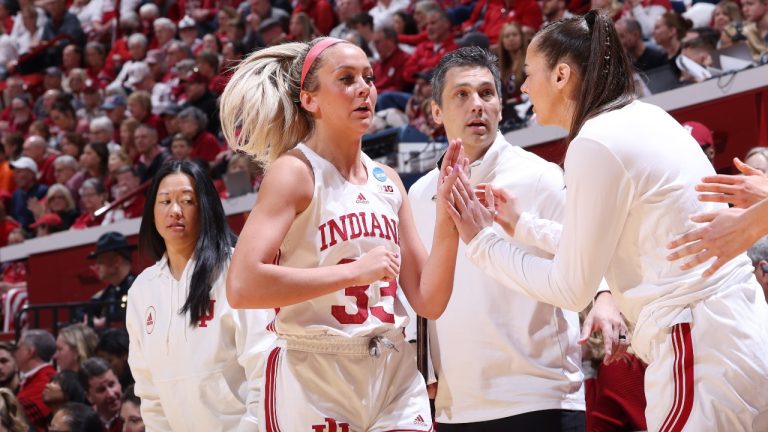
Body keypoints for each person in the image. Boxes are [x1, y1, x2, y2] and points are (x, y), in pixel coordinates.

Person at [444, 11, 768, 431]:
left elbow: (570, 286)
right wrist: (523, 225)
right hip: (736, 329)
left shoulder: (595, 141)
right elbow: (602, 243)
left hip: (701, 344)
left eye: (528, 73)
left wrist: (482, 243)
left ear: (561, 76)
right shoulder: (643, 116)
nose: (522, 87)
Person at [220, 38, 459, 430]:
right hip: (316, 371)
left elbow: (428, 301)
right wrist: (353, 273)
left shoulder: (388, 181)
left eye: (369, 78)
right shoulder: (295, 173)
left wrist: (448, 221)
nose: (364, 88)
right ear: (310, 100)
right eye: (346, 79)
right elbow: (243, 285)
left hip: (392, 368)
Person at [410, 46, 624, 430]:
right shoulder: (418, 193)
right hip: (457, 404)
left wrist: (605, 297)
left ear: (500, 106)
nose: (477, 105)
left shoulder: (540, 176)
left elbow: (584, 248)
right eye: (462, 95)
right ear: (436, 112)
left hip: (541, 395)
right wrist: (423, 369)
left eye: (486, 93)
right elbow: (418, 293)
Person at [127, 160, 275, 431]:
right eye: (165, 201)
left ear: (205, 207)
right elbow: (149, 392)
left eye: (187, 201)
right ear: (152, 212)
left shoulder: (235, 269)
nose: (175, 211)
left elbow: (264, 369)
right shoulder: (142, 290)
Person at [83, 232, 137, 329]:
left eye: (100, 261)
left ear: (117, 261)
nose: (96, 266)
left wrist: (108, 320)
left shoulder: (140, 288)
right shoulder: (105, 294)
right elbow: (85, 312)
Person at [15, 329, 57, 430]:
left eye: (18, 348)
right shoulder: (36, 378)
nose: (15, 353)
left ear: (29, 352)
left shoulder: (45, 382)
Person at [78, 357, 123, 432]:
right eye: (101, 390)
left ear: (118, 380)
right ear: (89, 397)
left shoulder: (138, 410)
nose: (111, 394)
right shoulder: (84, 423)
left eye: (112, 385)